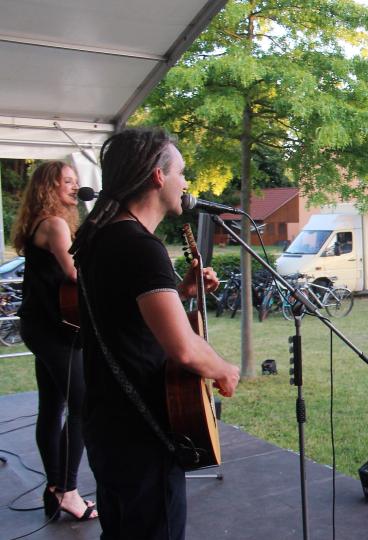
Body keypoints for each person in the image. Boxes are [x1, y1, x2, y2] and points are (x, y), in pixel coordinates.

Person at [71, 128, 239, 538]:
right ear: (158, 177)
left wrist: (179, 292)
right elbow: (182, 349)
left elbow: (125, 317)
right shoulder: (140, 247)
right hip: (141, 433)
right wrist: (223, 368)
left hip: (108, 422)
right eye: (181, 171)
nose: (186, 182)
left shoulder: (100, 237)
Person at [13, 161, 98, 521]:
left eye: (76, 181)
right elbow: (75, 273)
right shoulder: (56, 224)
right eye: (67, 181)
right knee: (83, 406)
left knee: (53, 405)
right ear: (49, 186)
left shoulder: (40, 222)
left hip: (40, 325)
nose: (74, 187)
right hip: (55, 330)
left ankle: (54, 487)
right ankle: (69, 490)